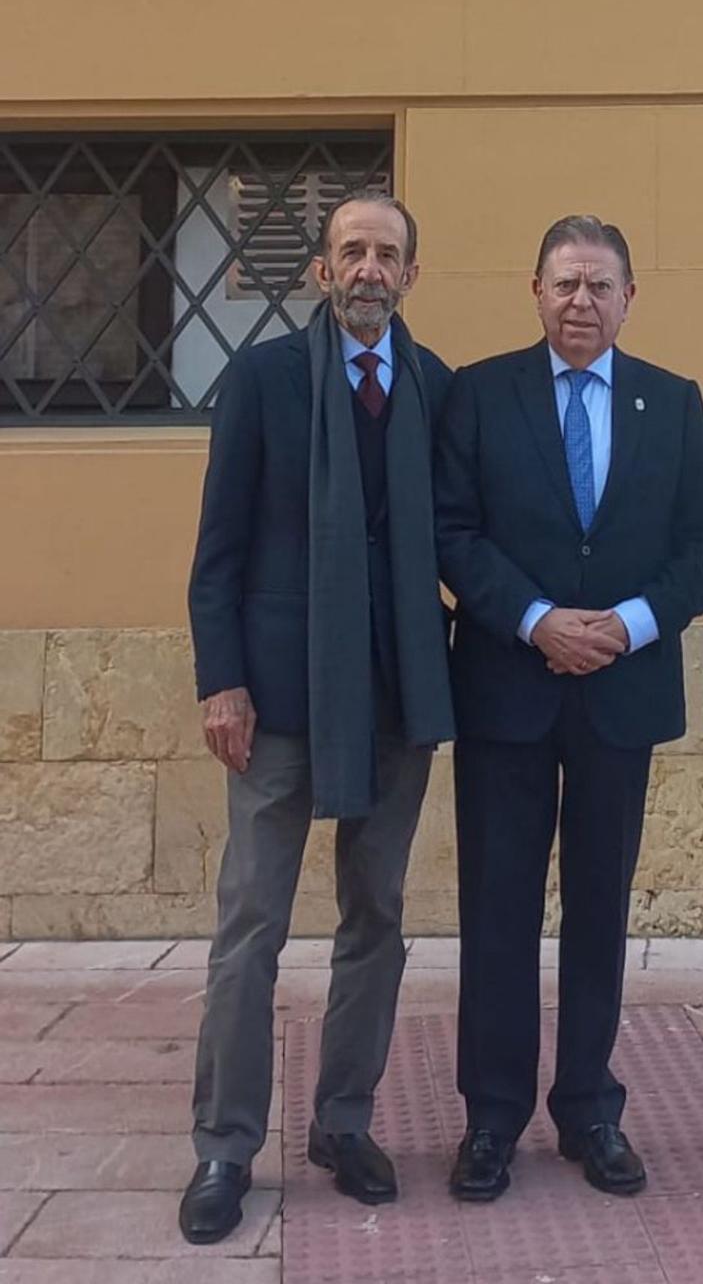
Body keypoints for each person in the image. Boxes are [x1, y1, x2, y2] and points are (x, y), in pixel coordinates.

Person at [180, 192, 455, 1246]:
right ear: (323, 270)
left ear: (409, 274)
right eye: (353, 252)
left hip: (397, 700)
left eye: (388, 254)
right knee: (251, 925)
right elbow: (219, 552)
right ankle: (225, 1144)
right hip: (281, 701)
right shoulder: (260, 382)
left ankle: (345, 1123)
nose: (370, 269)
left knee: (376, 918)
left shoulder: (432, 388)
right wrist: (223, 680)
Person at [436, 214, 703, 1204]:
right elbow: (453, 533)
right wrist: (536, 619)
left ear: (630, 297)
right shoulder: (477, 395)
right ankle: (492, 1118)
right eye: (564, 284)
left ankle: (590, 1107)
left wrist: (629, 625)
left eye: (600, 286)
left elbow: (702, 551)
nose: (581, 302)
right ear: (535, 291)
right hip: (507, 693)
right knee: (498, 912)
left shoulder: (673, 404)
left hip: (621, 696)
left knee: (600, 912)